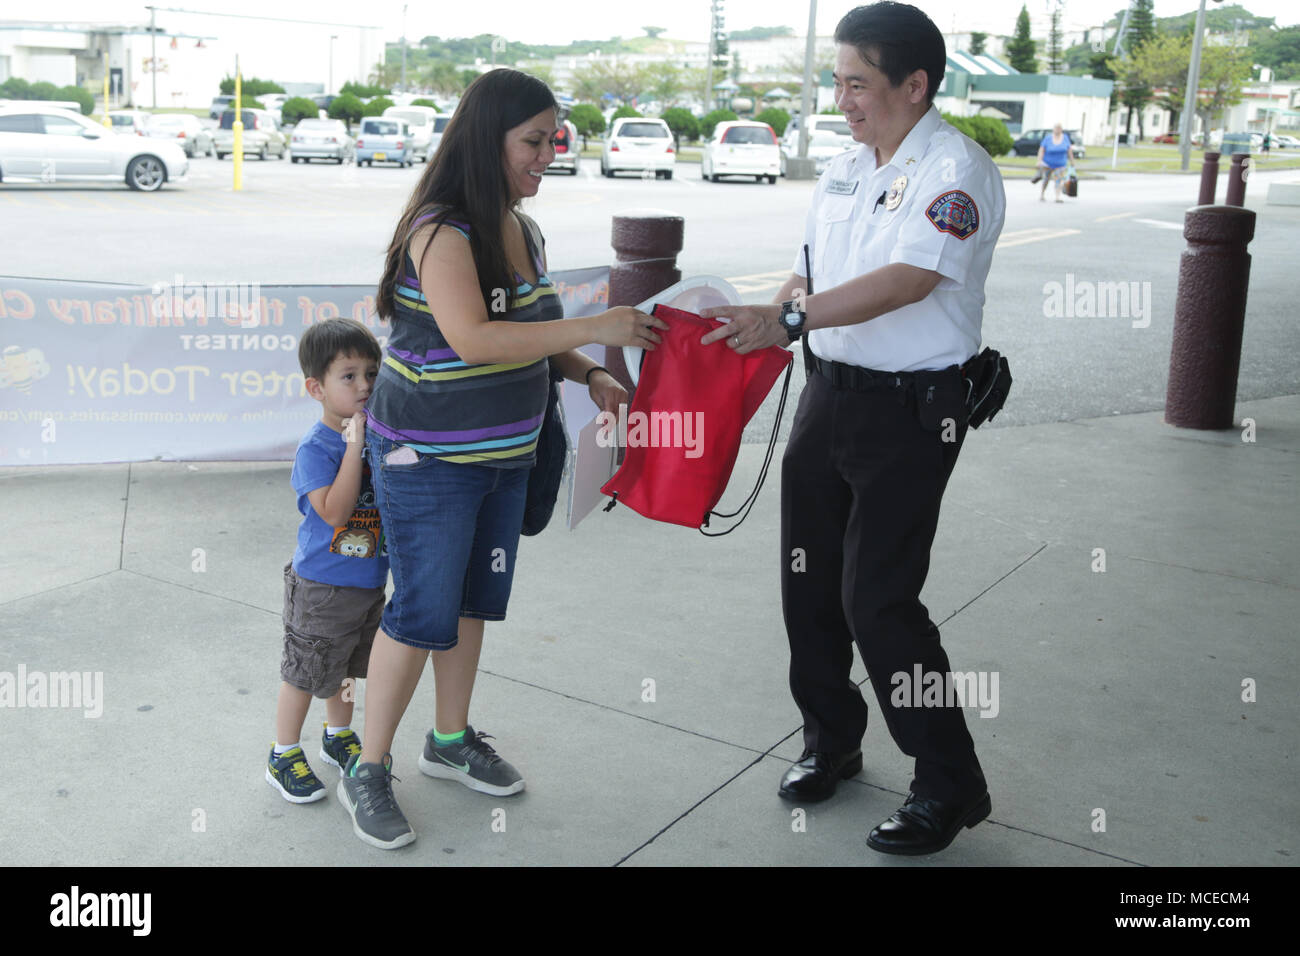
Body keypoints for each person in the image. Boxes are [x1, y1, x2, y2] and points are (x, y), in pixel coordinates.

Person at [699, 1, 1004, 856]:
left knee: (881, 600)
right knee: (810, 582)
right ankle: (830, 738)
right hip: (829, 393)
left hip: (912, 410)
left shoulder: (956, 170)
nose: (843, 100)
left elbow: (911, 278)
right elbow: (812, 273)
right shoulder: (842, 169)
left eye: (858, 83)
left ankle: (949, 782)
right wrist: (775, 311)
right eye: (837, 82)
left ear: (916, 84)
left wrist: (792, 324)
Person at [338, 68, 667, 849]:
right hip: (429, 462)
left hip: (506, 455)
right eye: (533, 139)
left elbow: (535, 329)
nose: (548, 152)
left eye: (554, 138)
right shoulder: (442, 230)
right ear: (489, 142)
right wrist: (598, 331)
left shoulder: (522, 226)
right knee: (419, 613)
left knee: (474, 604)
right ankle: (368, 769)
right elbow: (476, 340)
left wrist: (590, 371)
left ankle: (448, 741)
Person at [266, 318, 386, 803]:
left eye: (372, 375)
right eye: (350, 375)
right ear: (317, 387)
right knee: (304, 671)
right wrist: (354, 446)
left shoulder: (376, 436)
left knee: (349, 670)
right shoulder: (316, 450)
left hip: (368, 582)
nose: (364, 386)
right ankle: (283, 753)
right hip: (322, 587)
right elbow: (335, 512)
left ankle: (337, 737)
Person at [1037, 123, 1072, 202]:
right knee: (1046, 179)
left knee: (1059, 180)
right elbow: (1041, 150)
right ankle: (1042, 193)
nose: (1058, 130)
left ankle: (1057, 196)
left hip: (1061, 164)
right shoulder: (1048, 138)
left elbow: (1069, 150)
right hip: (1047, 163)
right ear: (1053, 129)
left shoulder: (1065, 138)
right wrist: (1039, 161)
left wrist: (1072, 161)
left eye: (1059, 128)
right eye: (1056, 128)